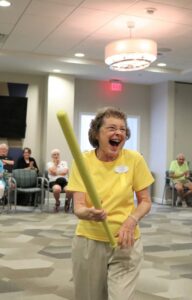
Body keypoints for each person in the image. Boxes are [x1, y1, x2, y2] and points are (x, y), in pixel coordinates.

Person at [68, 107, 154, 300]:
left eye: (123, 129)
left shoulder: (134, 159)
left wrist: (131, 221)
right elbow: (78, 207)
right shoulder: (83, 162)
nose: (119, 133)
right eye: (112, 128)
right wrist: (88, 213)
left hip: (126, 241)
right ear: (97, 133)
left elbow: (146, 201)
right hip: (90, 241)